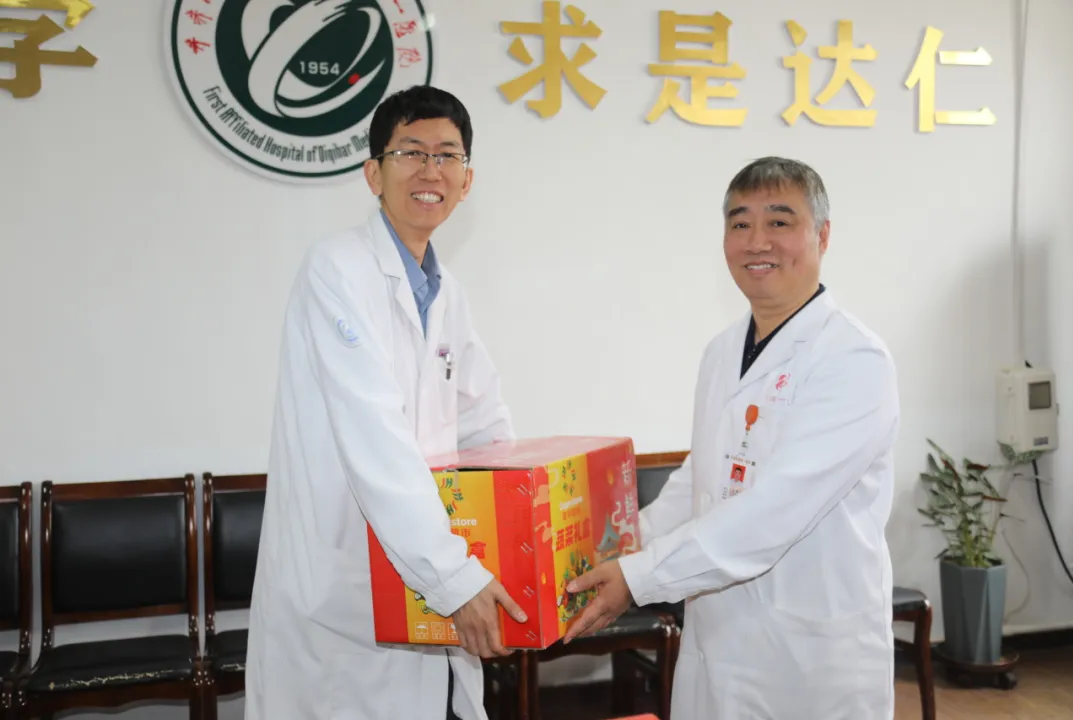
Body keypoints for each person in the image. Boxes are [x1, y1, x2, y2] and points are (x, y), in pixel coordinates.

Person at [564, 157, 901, 719]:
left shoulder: (853, 359)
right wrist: (622, 546)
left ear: (822, 235)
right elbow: (700, 480)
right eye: (740, 223)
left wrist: (638, 577)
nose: (757, 241)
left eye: (779, 221)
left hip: (809, 658)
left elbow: (775, 511)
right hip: (718, 641)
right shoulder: (722, 351)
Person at [245, 85, 528, 720]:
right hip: (344, 588)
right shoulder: (336, 269)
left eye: (448, 155)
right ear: (373, 173)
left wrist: (515, 540)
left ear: (467, 181)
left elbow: (486, 423)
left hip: (424, 570)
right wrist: (453, 576)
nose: (431, 170)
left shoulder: (447, 292)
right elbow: (374, 436)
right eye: (411, 152)